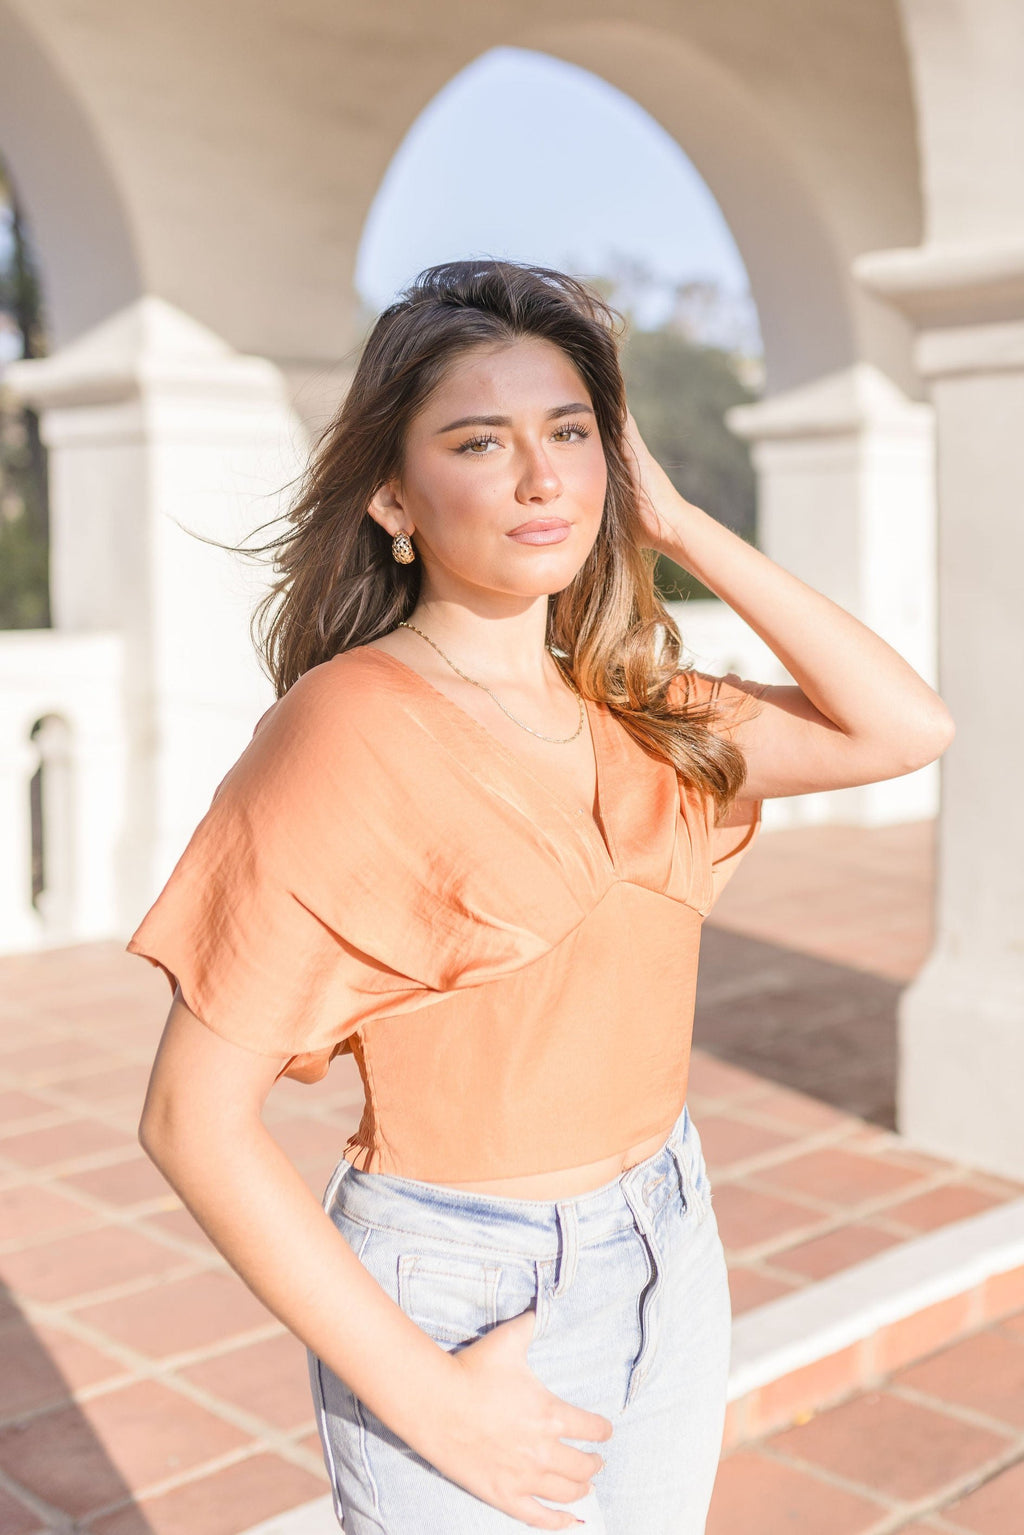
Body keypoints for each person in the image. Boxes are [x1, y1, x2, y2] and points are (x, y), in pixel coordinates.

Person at [126, 259, 955, 1534]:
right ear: (394, 496)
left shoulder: (631, 705)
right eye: (480, 439)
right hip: (463, 1290)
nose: (540, 477)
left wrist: (671, 519)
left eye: (571, 432)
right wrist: (430, 1397)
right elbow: (191, 1117)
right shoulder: (348, 726)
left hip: (670, 1234)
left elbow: (904, 725)